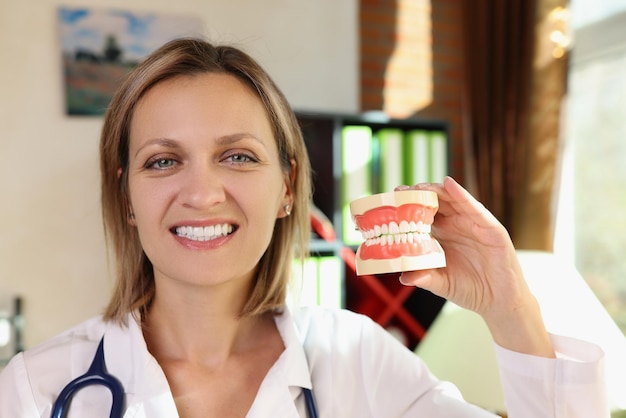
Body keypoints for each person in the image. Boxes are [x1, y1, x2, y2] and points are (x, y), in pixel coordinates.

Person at [0, 38, 608, 417]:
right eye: (163, 161)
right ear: (127, 196)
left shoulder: (360, 363)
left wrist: (511, 308)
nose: (203, 192)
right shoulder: (37, 390)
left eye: (237, 156)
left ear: (288, 187)